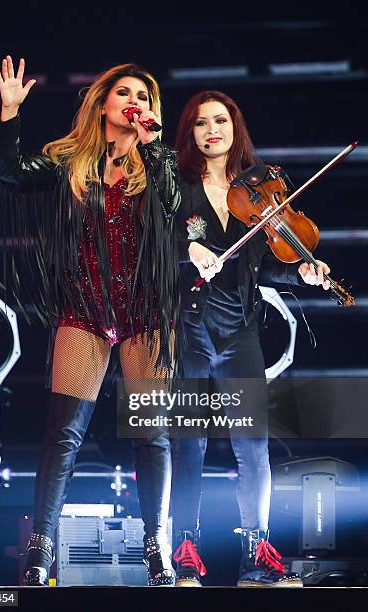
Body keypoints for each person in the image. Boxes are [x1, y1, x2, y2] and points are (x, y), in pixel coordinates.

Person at [0, 56, 181, 586]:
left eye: (144, 96)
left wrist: (154, 144)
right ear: (104, 104)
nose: (134, 101)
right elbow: (8, 174)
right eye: (125, 94)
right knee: (62, 435)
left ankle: (157, 548)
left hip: (146, 312)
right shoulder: (71, 161)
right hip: (85, 309)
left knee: (151, 434)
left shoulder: (159, 163)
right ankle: (41, 553)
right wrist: (9, 112)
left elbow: (172, 205)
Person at [170, 90, 331, 587]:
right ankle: (183, 549)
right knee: (189, 443)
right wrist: (189, 248)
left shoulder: (256, 194)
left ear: (235, 128)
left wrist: (304, 270)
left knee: (253, 445)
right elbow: (154, 243)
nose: (212, 129)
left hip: (240, 330)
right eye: (201, 123)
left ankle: (256, 551)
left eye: (221, 120)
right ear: (190, 132)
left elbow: (265, 266)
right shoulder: (174, 186)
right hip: (189, 327)